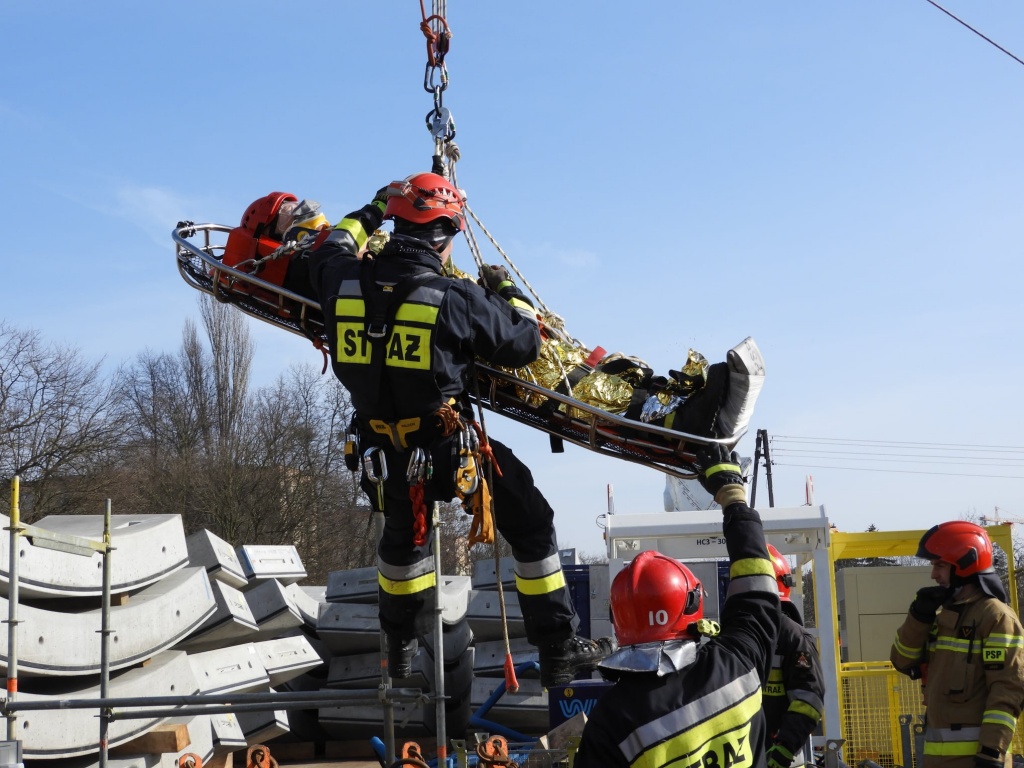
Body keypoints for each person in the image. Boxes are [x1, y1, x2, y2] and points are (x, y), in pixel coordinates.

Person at [306, 172, 613, 686]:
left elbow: (334, 242)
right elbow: (525, 343)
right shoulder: (453, 297)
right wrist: (507, 289)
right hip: (449, 449)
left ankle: (399, 650)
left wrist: (375, 204)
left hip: (383, 452)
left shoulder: (339, 279)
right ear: (446, 237)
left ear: (395, 221)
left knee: (402, 547)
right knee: (531, 520)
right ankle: (558, 646)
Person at [575, 444, 781, 768]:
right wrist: (733, 496)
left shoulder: (611, 724)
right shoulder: (738, 662)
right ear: (692, 603)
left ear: (619, 620)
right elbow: (758, 587)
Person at [890, 521, 1024, 768]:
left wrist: (991, 753)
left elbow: (1008, 690)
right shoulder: (942, 616)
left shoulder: (996, 617)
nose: (934, 574)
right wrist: (918, 617)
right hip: (935, 761)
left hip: (976, 761)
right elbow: (902, 661)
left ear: (964, 565)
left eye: (939, 565)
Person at [762, 544, 826, 768]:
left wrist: (783, 749)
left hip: (779, 758)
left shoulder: (794, 639)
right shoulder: (740, 632)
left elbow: (808, 700)